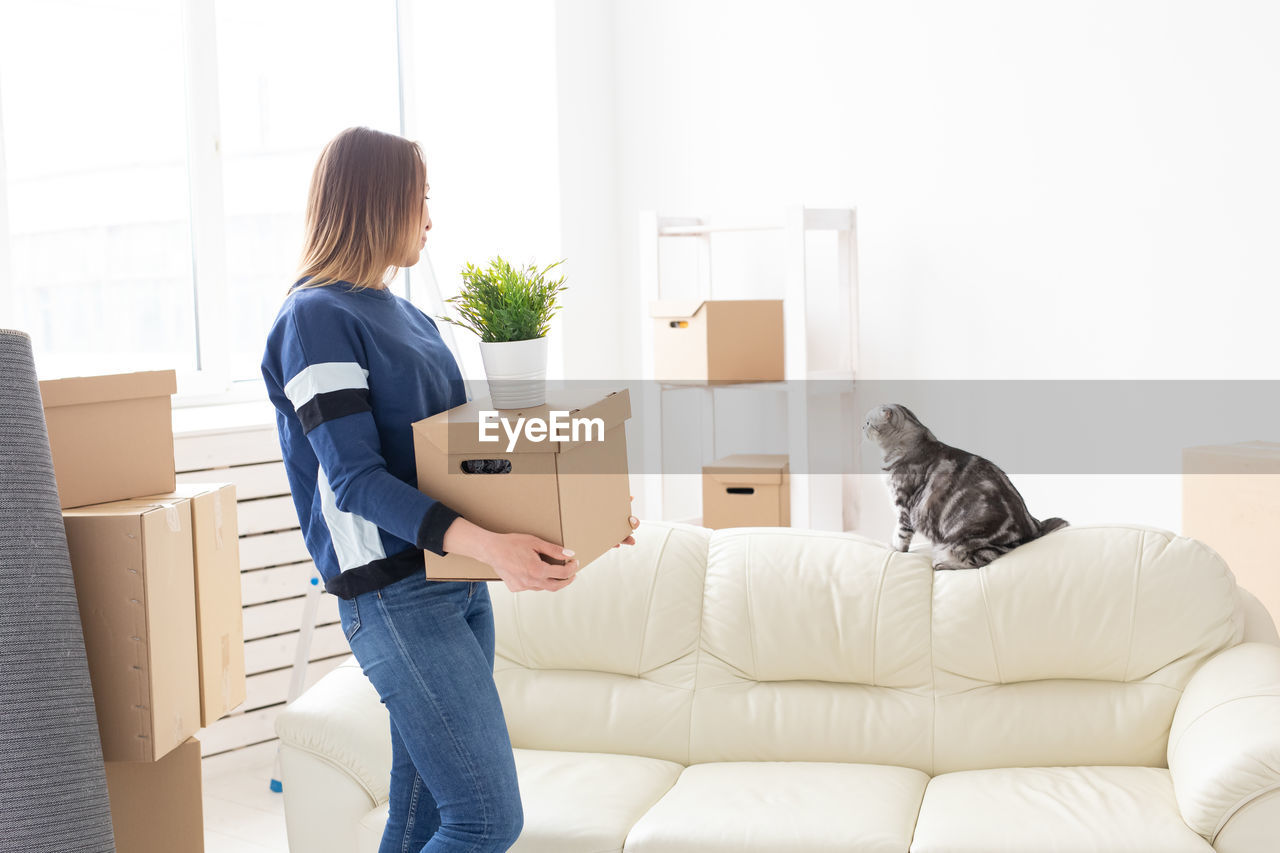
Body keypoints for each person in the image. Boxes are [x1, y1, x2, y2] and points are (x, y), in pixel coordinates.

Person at [261, 126, 638, 853]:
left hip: (458, 585)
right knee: (486, 819)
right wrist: (493, 545)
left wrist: (579, 510)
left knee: (423, 818)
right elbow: (357, 480)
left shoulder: (411, 319)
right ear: (377, 203)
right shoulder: (313, 320)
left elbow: (465, 456)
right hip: (393, 595)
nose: (430, 220)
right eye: (419, 201)